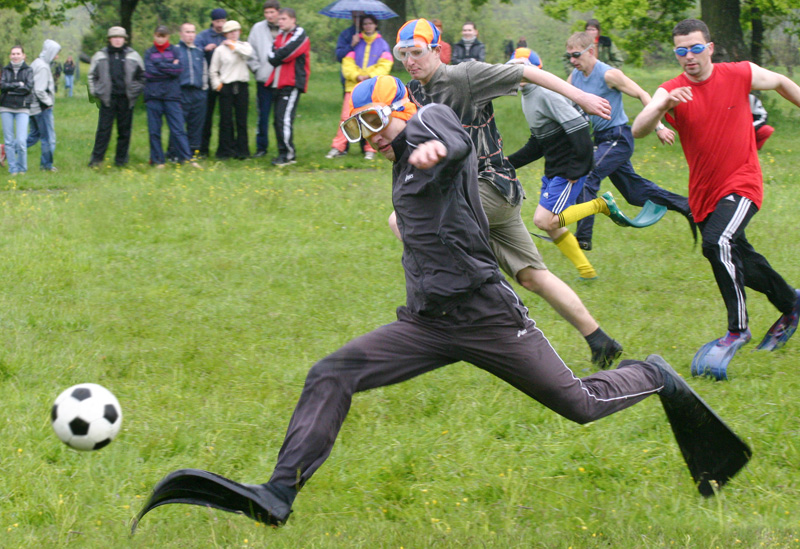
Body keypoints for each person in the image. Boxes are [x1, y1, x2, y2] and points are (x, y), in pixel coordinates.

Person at [133, 75, 743, 529]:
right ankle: (277, 494)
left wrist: (436, 150)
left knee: (579, 405)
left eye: (375, 121)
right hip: (426, 323)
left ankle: (652, 375)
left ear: (399, 111)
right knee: (331, 373)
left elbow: (451, 136)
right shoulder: (399, 164)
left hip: (486, 316)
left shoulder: (428, 123)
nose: (370, 136)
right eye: (357, 128)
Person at [397, 18, 623, 368]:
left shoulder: (465, 75)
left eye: (417, 52)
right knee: (534, 276)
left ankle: (462, 310)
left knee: (412, 221)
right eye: (403, 54)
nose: (410, 61)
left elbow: (524, 71)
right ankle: (600, 339)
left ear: (437, 50)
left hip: (490, 186)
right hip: (479, 195)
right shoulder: (414, 92)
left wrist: (581, 97)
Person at [631, 18, 800, 377]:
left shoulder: (738, 73)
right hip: (704, 194)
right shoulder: (671, 90)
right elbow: (639, 128)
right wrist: (663, 106)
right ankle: (791, 302)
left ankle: (737, 330)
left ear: (709, 48)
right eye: (681, 50)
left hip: (743, 183)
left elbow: (781, 82)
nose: (689, 56)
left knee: (717, 242)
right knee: (740, 260)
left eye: (695, 48)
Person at [565, 32, 694, 251]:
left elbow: (643, 94)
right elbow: (563, 102)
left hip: (618, 137)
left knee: (586, 176)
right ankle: (687, 206)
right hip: (601, 140)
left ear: (591, 52)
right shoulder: (575, 77)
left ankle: (583, 238)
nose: (572, 60)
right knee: (634, 193)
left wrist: (659, 127)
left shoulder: (609, 74)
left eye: (576, 55)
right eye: (569, 56)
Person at [506, 49, 597, 280]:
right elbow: (538, 143)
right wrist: (506, 163)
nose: (519, 72)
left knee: (543, 220)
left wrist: (578, 168)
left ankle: (601, 205)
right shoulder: (528, 95)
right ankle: (587, 272)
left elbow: (580, 128)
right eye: (513, 67)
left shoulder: (546, 93)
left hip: (568, 168)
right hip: (554, 167)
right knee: (550, 224)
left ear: (536, 69)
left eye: (523, 66)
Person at [326, 13, 392, 160]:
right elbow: (347, 64)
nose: (368, 26)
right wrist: (357, 76)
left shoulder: (382, 44)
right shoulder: (355, 42)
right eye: (365, 24)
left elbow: (385, 65)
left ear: (375, 25)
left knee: (370, 118)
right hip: (353, 87)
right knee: (346, 118)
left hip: (371, 88)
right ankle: (338, 147)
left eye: (370, 23)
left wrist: (369, 76)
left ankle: (370, 149)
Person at [87, 27, 145, 168]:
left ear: (125, 39)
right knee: (103, 131)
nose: (118, 40)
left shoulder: (133, 56)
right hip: (108, 99)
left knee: (124, 131)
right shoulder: (100, 56)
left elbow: (142, 76)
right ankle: (96, 160)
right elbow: (92, 76)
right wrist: (96, 92)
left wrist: (134, 91)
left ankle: (121, 161)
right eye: (114, 37)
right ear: (109, 39)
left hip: (126, 99)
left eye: (120, 37)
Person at [143, 25, 198, 169]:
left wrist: (159, 65)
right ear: (154, 35)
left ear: (168, 37)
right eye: (158, 36)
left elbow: (179, 70)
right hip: (153, 96)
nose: (160, 39)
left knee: (178, 129)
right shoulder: (149, 52)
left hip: (172, 96)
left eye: (163, 36)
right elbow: (149, 73)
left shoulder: (175, 51)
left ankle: (186, 159)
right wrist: (169, 67)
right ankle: (158, 160)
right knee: (154, 130)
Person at [265, 8, 310, 166]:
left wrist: (278, 54)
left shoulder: (300, 34)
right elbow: (271, 57)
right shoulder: (280, 36)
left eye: (283, 19)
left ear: (293, 20)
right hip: (278, 83)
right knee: (277, 120)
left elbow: (287, 53)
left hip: (291, 83)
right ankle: (282, 153)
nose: (280, 22)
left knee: (283, 120)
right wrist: (278, 55)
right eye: (279, 19)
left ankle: (288, 155)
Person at [209, 20, 253, 160]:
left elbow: (248, 53)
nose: (234, 34)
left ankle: (242, 151)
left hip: (241, 85)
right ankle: (225, 151)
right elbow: (213, 70)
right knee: (226, 120)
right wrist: (217, 86)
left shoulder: (244, 46)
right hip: (226, 87)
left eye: (236, 31)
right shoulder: (219, 50)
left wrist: (233, 45)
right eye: (230, 32)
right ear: (225, 34)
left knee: (241, 120)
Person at [166, 22, 208, 162]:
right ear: (181, 34)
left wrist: (204, 89)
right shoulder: (175, 50)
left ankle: (192, 153)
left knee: (196, 124)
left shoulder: (199, 52)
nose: (190, 35)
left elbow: (205, 72)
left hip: (198, 93)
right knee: (178, 124)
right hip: (181, 92)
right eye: (187, 32)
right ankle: (174, 153)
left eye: (192, 32)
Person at [248, 0, 281, 158]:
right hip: (264, 79)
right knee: (263, 116)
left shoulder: (285, 27)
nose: (269, 15)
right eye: (266, 12)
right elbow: (250, 51)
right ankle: (261, 147)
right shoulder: (257, 28)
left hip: (282, 80)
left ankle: (283, 147)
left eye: (272, 12)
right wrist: (257, 69)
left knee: (280, 118)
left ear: (278, 12)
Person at [195, 8, 228, 158]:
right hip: (208, 81)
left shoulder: (228, 34)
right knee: (206, 116)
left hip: (225, 80)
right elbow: (194, 52)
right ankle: (203, 149)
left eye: (223, 21)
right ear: (212, 21)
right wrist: (204, 49)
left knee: (225, 116)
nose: (220, 24)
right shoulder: (203, 36)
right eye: (217, 21)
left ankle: (224, 149)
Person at [27, 39, 61, 173]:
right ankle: (46, 166)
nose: (57, 57)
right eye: (56, 53)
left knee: (33, 136)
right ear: (50, 52)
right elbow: (39, 90)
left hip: (32, 107)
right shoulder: (43, 67)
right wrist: (49, 103)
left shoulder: (36, 62)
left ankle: (5, 150)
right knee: (49, 139)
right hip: (42, 109)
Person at [0, 45, 34, 175]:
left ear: (23, 55)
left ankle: (22, 168)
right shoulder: (5, 70)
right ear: (10, 56)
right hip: (6, 107)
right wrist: (19, 84)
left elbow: (28, 87)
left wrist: (11, 89)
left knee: (21, 141)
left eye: (18, 53)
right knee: (8, 141)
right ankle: (13, 169)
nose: (15, 56)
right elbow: (2, 86)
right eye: (13, 54)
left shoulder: (28, 70)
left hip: (22, 108)